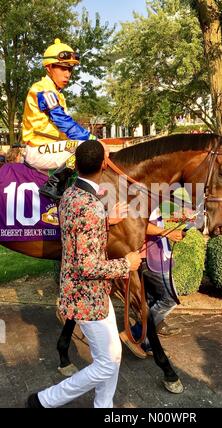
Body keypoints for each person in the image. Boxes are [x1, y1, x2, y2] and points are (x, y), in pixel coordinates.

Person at [26, 140, 141, 408]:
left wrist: (106, 219)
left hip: (91, 293)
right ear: (104, 164)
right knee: (106, 363)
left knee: (112, 356)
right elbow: (87, 266)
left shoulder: (72, 194)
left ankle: (104, 406)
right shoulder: (89, 205)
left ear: (75, 165)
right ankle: (44, 401)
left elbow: (78, 226)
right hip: (86, 296)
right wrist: (127, 264)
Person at [22, 38, 108, 200]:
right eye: (62, 68)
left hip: (53, 148)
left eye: (70, 69)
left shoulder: (56, 93)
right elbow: (63, 122)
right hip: (38, 150)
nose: (67, 74)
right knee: (86, 147)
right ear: (49, 68)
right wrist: (92, 138)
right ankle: (54, 183)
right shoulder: (42, 90)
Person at [120, 208, 183, 359]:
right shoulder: (140, 197)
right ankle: (134, 333)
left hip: (157, 257)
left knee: (151, 301)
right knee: (170, 299)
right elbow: (139, 224)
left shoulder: (151, 196)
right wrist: (166, 232)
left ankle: (146, 342)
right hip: (150, 259)